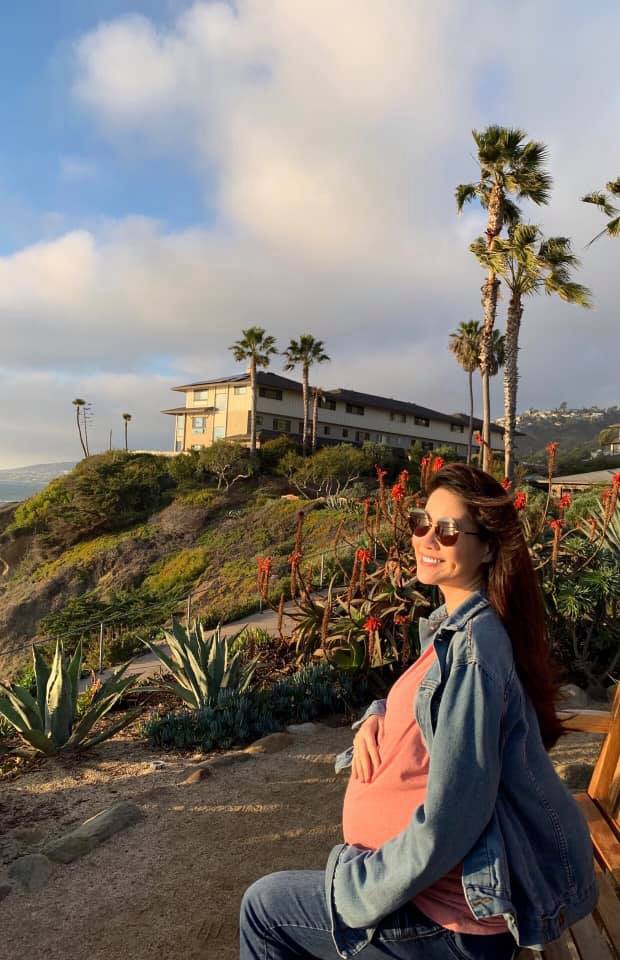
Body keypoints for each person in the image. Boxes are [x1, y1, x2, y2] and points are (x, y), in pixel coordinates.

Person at [240, 464, 597, 959]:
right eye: (421, 521)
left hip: (451, 927)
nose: (427, 538)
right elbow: (423, 700)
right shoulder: (456, 629)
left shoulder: (473, 650)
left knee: (264, 909)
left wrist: (358, 890)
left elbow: (453, 818)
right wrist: (376, 717)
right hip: (436, 904)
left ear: (487, 548)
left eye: (447, 530)